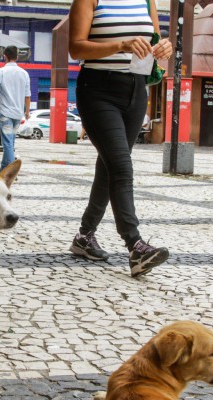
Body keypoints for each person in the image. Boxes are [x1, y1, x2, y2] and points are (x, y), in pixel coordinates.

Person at [67, 0, 173, 277]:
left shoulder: (147, 1)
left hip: (136, 90)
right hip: (98, 89)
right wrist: (120, 45)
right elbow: (76, 47)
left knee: (110, 166)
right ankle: (135, 245)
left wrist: (164, 48)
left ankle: (84, 236)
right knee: (121, 166)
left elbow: (153, 42)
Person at [0, 45, 31, 172]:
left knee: (7, 144)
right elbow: (28, 96)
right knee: (10, 143)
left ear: (4, 56)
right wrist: (27, 111)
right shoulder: (24, 73)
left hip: (5, 112)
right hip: (18, 113)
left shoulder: (0, 72)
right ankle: (3, 171)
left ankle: (11, 172)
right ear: (17, 57)